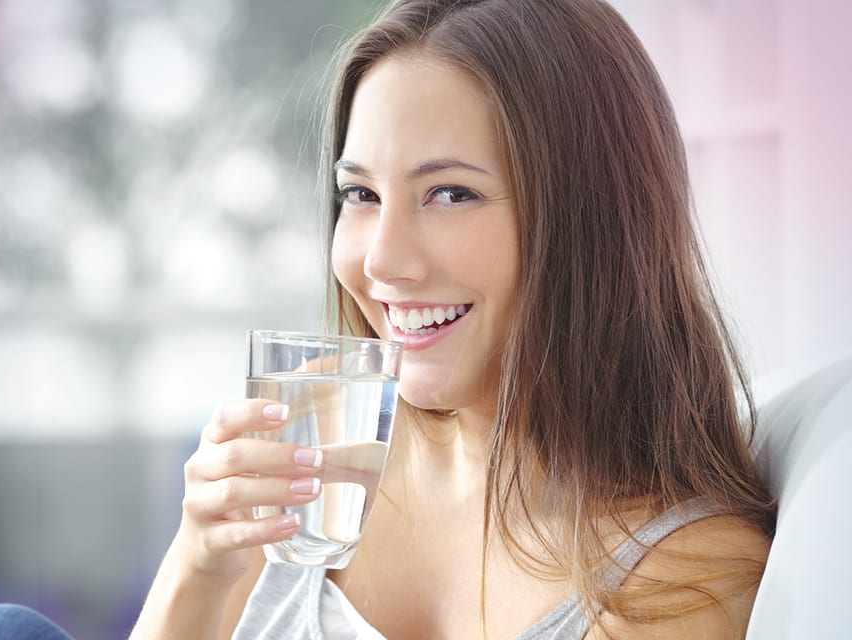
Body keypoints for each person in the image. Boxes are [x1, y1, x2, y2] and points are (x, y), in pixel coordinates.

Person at [126, 0, 774, 638]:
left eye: (450, 194)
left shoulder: (682, 573)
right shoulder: (315, 449)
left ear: (591, 222)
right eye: (361, 195)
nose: (382, 260)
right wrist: (199, 563)